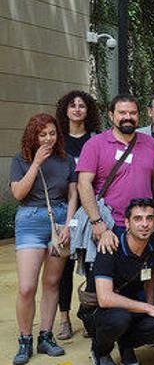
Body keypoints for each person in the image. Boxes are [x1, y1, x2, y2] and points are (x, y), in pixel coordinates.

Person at [10, 114, 76, 364]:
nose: (48, 138)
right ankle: (25, 339)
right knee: (27, 287)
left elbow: (72, 196)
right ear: (33, 136)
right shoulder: (21, 160)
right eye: (42, 134)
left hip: (59, 222)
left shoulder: (66, 160)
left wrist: (69, 224)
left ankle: (46, 336)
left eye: (52, 133)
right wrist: (36, 163)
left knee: (52, 283)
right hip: (30, 221)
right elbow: (18, 193)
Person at [77, 94, 154, 246]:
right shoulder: (95, 144)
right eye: (122, 113)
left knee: (143, 269)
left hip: (143, 224)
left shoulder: (150, 142)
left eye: (133, 113)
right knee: (107, 269)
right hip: (109, 224)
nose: (128, 117)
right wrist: (96, 221)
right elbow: (83, 184)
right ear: (112, 115)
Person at [91, 198, 154, 365]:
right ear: (127, 223)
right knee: (120, 319)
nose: (144, 224)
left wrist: (151, 306)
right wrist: (149, 308)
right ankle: (100, 351)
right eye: (138, 218)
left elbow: (150, 276)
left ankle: (126, 345)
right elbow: (105, 299)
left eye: (149, 218)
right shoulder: (110, 246)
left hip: (132, 305)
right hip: (101, 310)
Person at [54, 90, 101, 340]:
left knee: (93, 263)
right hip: (65, 207)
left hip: (91, 207)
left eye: (82, 106)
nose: (77, 110)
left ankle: (87, 312)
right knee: (64, 266)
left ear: (88, 110)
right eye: (72, 106)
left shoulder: (97, 139)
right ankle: (64, 319)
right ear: (65, 110)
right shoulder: (57, 140)